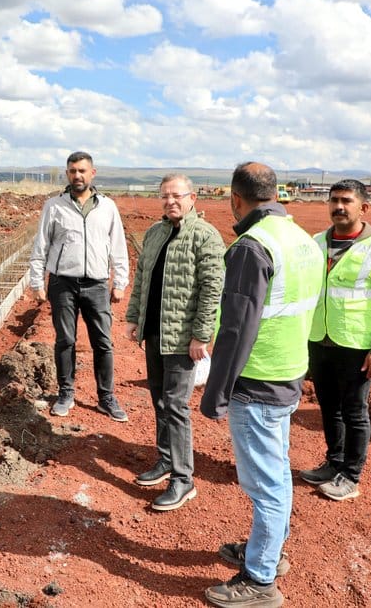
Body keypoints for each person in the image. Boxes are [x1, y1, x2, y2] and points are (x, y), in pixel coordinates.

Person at [200, 162, 324, 608]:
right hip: (289, 372)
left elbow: (236, 330)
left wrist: (216, 394)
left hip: (258, 381)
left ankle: (260, 579)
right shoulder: (303, 240)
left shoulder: (252, 248)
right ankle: (268, 551)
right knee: (278, 470)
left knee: (266, 484)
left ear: (236, 199)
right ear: (275, 193)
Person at [124, 174, 225, 511]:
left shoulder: (205, 236)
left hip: (183, 339)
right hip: (154, 333)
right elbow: (142, 278)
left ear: (192, 197)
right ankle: (166, 460)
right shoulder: (155, 233)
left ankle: (184, 480)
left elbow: (212, 289)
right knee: (159, 399)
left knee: (176, 406)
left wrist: (201, 334)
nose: (170, 202)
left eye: (177, 196)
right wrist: (134, 317)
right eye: (165, 196)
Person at [299, 180, 371, 501]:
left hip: (356, 345)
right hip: (320, 340)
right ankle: (333, 463)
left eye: (346, 200)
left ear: (363, 208)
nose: (339, 206)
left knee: (354, 411)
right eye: (333, 200)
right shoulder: (316, 243)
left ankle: (351, 476)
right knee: (329, 408)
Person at [29, 151, 130, 421]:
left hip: (97, 284)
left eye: (82, 171)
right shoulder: (54, 206)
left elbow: (119, 247)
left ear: (92, 173)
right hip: (63, 283)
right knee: (65, 340)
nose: (77, 176)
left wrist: (120, 282)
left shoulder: (107, 206)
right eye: (73, 171)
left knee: (103, 342)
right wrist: (37, 281)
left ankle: (106, 398)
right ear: (67, 174)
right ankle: (65, 393)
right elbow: (41, 246)